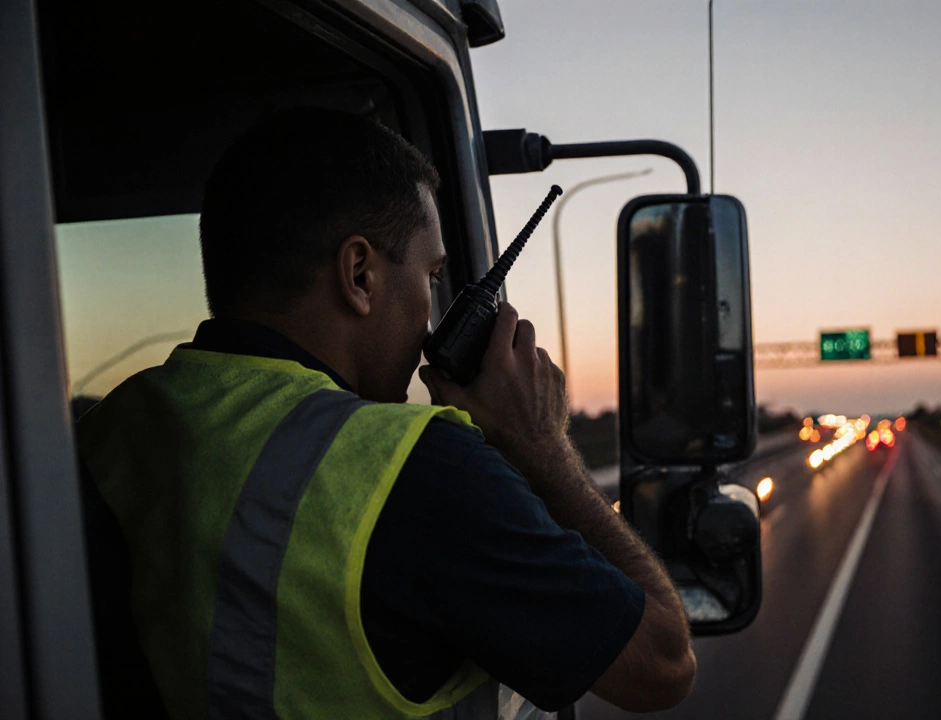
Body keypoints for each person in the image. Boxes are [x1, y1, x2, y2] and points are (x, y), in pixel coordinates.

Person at [76, 107, 695, 719]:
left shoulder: (108, 430)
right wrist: (543, 450)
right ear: (360, 274)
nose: (430, 325)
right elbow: (663, 665)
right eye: (430, 276)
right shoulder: (414, 467)